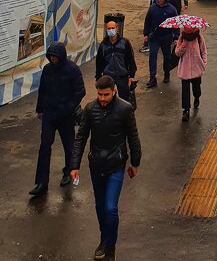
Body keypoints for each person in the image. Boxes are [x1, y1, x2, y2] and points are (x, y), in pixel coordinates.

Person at [70, 75, 141, 261]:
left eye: (106, 95)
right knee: (100, 206)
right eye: (100, 94)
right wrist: (74, 165)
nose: (102, 98)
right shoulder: (90, 109)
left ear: (114, 91)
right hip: (96, 165)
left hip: (116, 166)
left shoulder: (125, 109)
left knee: (110, 207)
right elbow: (81, 138)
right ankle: (104, 238)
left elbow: (133, 137)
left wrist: (135, 163)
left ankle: (110, 246)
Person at [29, 42, 85, 197]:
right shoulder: (47, 70)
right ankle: (42, 182)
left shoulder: (72, 69)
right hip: (49, 115)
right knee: (44, 146)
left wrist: (68, 107)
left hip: (65, 116)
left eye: (55, 56)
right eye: (51, 56)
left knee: (69, 146)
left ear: (61, 56)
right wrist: (40, 109)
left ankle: (68, 172)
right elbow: (43, 90)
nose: (53, 58)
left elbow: (80, 91)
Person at [96, 21, 137, 103]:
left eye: (112, 28)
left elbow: (130, 59)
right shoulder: (103, 45)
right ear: (106, 30)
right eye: (109, 28)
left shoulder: (125, 42)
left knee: (124, 99)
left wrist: (131, 75)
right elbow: (99, 62)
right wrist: (98, 77)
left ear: (117, 29)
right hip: (108, 76)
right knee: (108, 99)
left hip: (122, 76)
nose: (111, 30)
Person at [143, 0, 177, 88]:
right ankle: (152, 78)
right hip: (154, 37)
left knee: (167, 57)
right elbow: (147, 21)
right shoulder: (152, 8)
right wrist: (146, 34)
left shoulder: (171, 9)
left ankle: (167, 74)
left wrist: (176, 37)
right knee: (152, 57)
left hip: (166, 37)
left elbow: (175, 24)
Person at [175, 25, 207, 121]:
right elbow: (177, 53)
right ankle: (186, 110)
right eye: (186, 28)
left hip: (196, 69)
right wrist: (183, 45)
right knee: (185, 90)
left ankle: (197, 97)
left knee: (196, 89)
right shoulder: (181, 38)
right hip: (185, 70)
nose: (187, 30)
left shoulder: (199, 38)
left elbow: (203, 51)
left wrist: (204, 64)